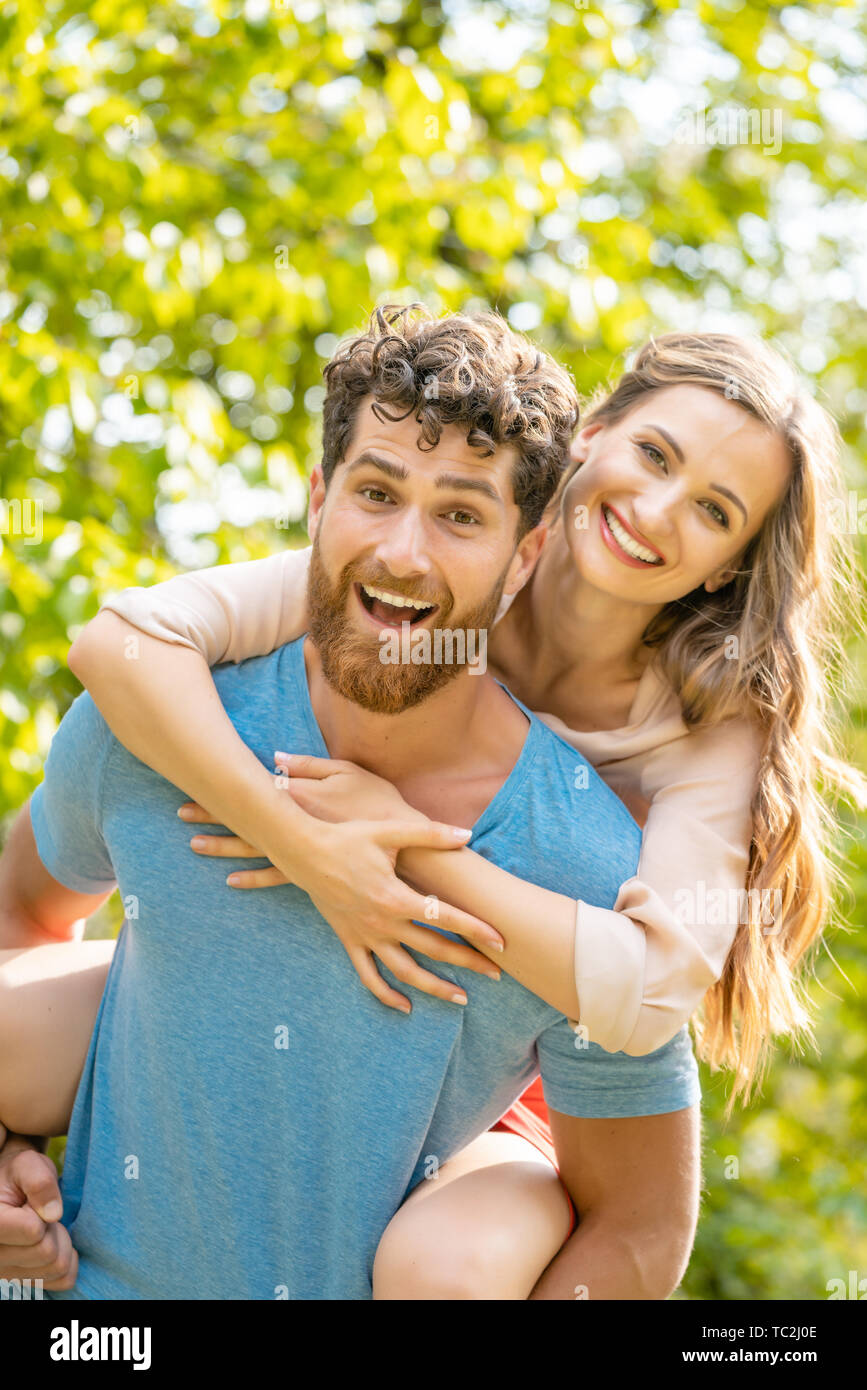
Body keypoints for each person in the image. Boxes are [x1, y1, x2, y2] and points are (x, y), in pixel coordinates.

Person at [47, 308, 865, 1302]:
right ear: (592, 436)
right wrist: (298, 838)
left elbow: (649, 996)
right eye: (653, 454)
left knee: (443, 1268)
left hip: (512, 1062)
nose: (656, 509)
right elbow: (123, 644)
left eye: (714, 510)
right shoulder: (436, 560)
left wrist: (409, 854)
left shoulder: (707, 717)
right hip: (295, 964)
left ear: (731, 562)